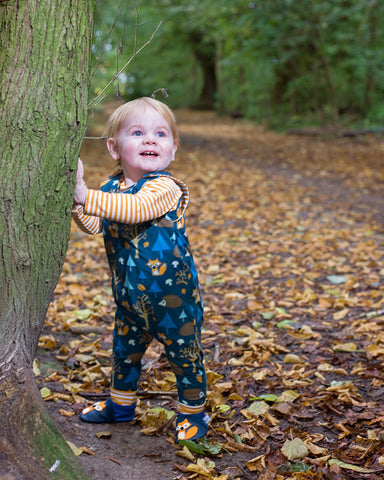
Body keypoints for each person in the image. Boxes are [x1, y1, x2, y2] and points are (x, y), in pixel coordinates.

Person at [72, 97, 209, 442]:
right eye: (137, 132)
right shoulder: (110, 188)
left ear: (173, 149)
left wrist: (84, 195)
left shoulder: (165, 187)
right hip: (130, 297)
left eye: (161, 134)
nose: (151, 140)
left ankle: (193, 412)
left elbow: (136, 209)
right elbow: (93, 223)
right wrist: (75, 200)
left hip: (173, 299)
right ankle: (120, 406)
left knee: (184, 355)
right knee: (124, 354)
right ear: (114, 147)